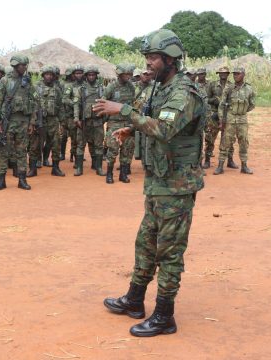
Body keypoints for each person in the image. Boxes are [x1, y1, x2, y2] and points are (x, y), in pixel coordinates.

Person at [93, 28, 205, 337]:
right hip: (158, 182)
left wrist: (123, 111)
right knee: (145, 243)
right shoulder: (160, 87)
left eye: (153, 58)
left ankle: (164, 316)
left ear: (171, 59)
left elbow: (167, 130)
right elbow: (153, 120)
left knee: (168, 252)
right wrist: (133, 128)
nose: (148, 64)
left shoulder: (184, 91)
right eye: (147, 57)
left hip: (177, 186)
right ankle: (134, 300)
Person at [0, 55, 36, 190]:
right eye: (23, 65)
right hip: (8, 121)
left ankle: (22, 180)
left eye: (25, 65)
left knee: (22, 151)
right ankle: (1, 180)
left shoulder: (28, 82)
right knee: (3, 150)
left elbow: (34, 103)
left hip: (23, 121)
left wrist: (32, 123)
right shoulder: (5, 81)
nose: (25, 67)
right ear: (16, 66)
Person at [214, 66, 255, 175]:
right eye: (234, 74)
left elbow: (252, 104)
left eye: (238, 74)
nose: (235, 75)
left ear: (243, 74)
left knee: (244, 142)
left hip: (242, 119)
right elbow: (222, 106)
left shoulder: (249, 89)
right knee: (225, 141)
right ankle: (220, 166)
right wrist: (222, 119)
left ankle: (244, 166)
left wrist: (242, 111)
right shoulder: (229, 88)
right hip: (230, 118)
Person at [27, 65, 65, 177]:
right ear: (43, 75)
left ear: (54, 76)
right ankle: (33, 169)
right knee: (35, 145)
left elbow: (61, 107)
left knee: (56, 144)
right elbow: (31, 105)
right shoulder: (35, 88)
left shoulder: (57, 89)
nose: (49, 76)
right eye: (47, 74)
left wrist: (62, 123)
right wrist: (32, 122)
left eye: (51, 75)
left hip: (53, 120)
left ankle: (55, 168)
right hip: (39, 120)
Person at [102, 63, 135, 184]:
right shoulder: (111, 87)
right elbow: (103, 102)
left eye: (129, 74)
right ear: (120, 74)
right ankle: (109, 174)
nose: (128, 77)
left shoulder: (131, 87)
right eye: (125, 74)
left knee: (127, 150)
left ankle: (123, 174)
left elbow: (134, 103)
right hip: (114, 123)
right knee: (113, 149)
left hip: (128, 123)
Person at [73, 65, 105, 176]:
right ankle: (79, 168)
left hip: (97, 121)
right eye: (89, 75)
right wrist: (76, 118)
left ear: (96, 76)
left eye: (93, 75)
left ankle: (99, 167)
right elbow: (76, 104)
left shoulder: (101, 88)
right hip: (84, 121)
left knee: (98, 144)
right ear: (86, 76)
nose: (91, 77)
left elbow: (105, 104)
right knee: (80, 144)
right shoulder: (81, 89)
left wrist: (104, 118)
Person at [204, 66, 236, 169]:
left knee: (229, 139)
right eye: (221, 73)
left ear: (228, 74)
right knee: (210, 138)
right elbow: (206, 99)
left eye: (225, 73)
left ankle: (230, 160)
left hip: (227, 115)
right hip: (214, 115)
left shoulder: (232, 86)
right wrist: (214, 100)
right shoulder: (212, 84)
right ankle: (207, 160)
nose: (223, 74)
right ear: (218, 74)